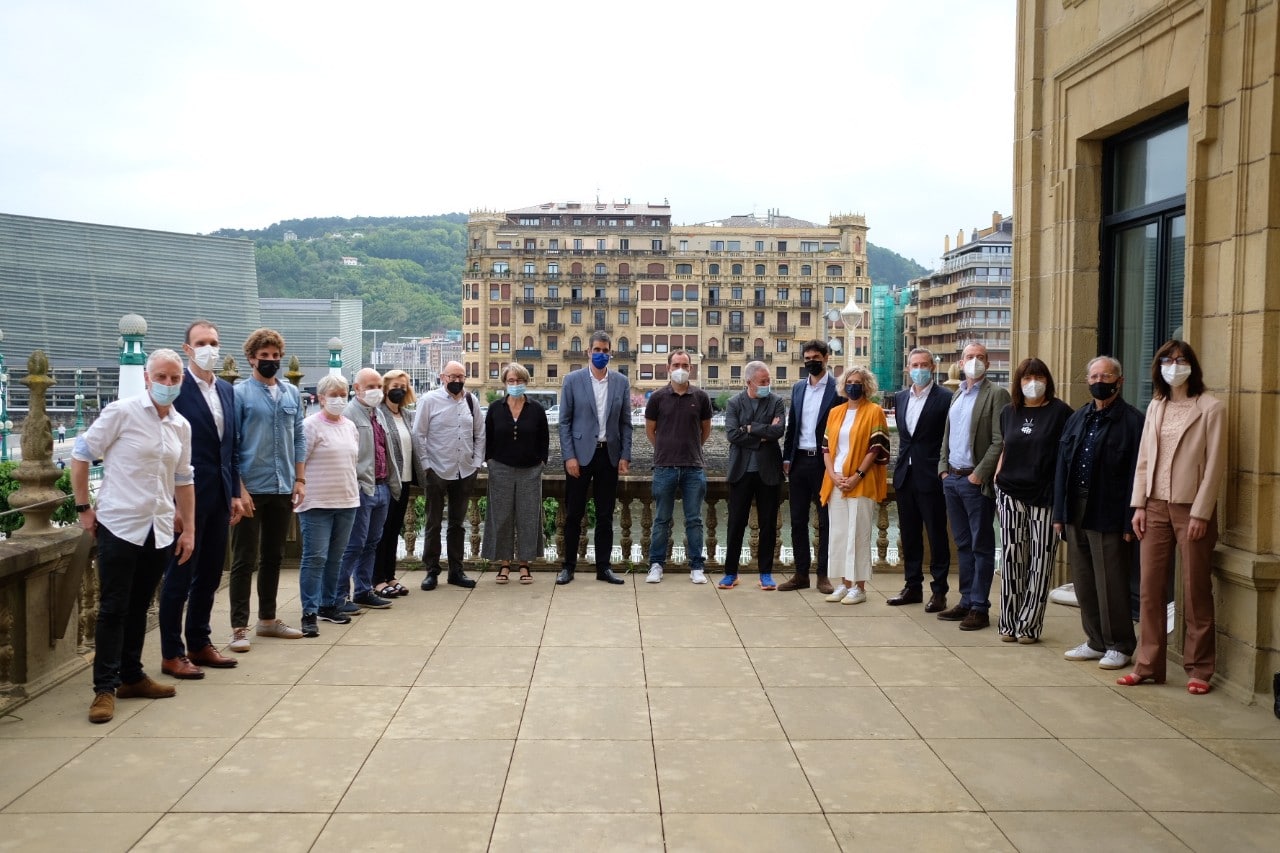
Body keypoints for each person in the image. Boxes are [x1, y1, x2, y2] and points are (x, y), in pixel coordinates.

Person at [72, 349, 194, 723]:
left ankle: (132, 676)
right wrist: (82, 508)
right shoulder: (121, 412)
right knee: (112, 608)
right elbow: (81, 454)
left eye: (174, 378)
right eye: (161, 377)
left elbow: (183, 478)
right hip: (120, 524)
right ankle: (103, 689)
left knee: (141, 606)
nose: (168, 384)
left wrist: (188, 526)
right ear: (146, 377)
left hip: (157, 529)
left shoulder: (180, 426)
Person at [1120, 340, 1226, 694]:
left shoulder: (1210, 408)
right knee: (1150, 588)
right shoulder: (1156, 405)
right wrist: (1138, 505)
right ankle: (1148, 664)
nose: (1174, 365)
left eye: (1180, 360)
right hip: (1153, 506)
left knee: (1195, 588)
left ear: (1192, 365)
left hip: (1190, 508)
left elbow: (1215, 466)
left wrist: (1201, 511)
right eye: (1167, 359)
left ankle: (1200, 668)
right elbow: (1144, 460)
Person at [157, 321, 243, 680]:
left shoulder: (226, 389)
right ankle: (171, 653)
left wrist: (236, 493)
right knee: (178, 578)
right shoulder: (176, 388)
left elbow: (231, 448)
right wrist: (173, 504)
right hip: (186, 498)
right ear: (188, 349)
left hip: (220, 494)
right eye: (202, 343)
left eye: (215, 342)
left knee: (209, 576)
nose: (210, 348)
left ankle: (199, 642)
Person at [1053, 355, 1144, 671]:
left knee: (1112, 582)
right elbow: (1062, 468)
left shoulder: (1133, 422)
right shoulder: (1078, 418)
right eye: (1093, 376)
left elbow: (1137, 473)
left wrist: (1130, 517)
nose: (1098, 382)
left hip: (1110, 510)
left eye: (1105, 376)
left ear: (1120, 381)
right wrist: (1059, 514)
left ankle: (1120, 644)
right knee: (1084, 580)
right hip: (1076, 509)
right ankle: (1094, 641)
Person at [228, 328, 306, 652]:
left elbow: (299, 437)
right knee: (245, 558)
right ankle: (238, 627)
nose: (271, 361)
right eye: (265, 357)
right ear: (251, 359)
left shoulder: (291, 394)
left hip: (282, 485)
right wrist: (239, 489)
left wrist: (299, 480)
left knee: (274, 556)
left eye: (276, 357)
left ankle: (268, 619)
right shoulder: (239, 394)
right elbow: (230, 445)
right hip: (252, 486)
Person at [993, 358, 1072, 643]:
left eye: (1038, 377)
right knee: (1013, 557)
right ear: (1019, 383)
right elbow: (1005, 446)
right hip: (1010, 492)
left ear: (1047, 381)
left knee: (1041, 559)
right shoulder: (1008, 412)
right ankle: (1008, 622)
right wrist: (998, 475)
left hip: (1045, 496)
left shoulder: (1061, 412)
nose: (1032, 383)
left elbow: (1066, 456)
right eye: (1026, 378)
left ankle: (1028, 625)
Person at [936, 342, 1011, 631]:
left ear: (988, 364)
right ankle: (966, 600)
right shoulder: (957, 395)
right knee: (963, 544)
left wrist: (979, 474)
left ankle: (980, 607)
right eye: (970, 357)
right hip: (952, 479)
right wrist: (943, 470)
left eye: (980, 357)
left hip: (973, 481)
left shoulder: (996, 394)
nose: (975, 361)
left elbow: (1000, 439)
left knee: (981, 545)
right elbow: (947, 436)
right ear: (961, 362)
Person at [556, 331, 632, 585]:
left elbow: (626, 424)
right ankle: (568, 567)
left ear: (611, 352)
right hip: (580, 456)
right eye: (596, 350)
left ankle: (604, 567)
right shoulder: (572, 380)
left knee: (605, 515)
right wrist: (569, 457)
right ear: (588, 352)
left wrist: (625, 455)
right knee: (574, 514)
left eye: (605, 350)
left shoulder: (621, 382)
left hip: (608, 456)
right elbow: (564, 422)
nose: (601, 354)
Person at [818, 366, 891, 604]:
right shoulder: (835, 412)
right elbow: (826, 448)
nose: (853, 385)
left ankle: (859, 587)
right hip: (836, 480)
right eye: (849, 381)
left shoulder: (874, 411)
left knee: (858, 534)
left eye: (858, 381)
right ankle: (843, 583)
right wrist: (832, 474)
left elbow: (875, 448)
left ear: (866, 385)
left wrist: (857, 475)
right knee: (838, 534)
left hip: (862, 481)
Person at [887, 347, 952, 611]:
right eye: (914, 364)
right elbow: (905, 438)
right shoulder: (900, 398)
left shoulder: (946, 398)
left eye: (924, 364)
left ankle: (939, 591)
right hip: (905, 475)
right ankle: (912, 586)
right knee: (909, 534)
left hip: (932, 476)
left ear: (932, 367)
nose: (919, 369)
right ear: (908, 368)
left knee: (936, 535)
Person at [296, 374, 361, 636]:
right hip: (316, 502)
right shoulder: (310, 426)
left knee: (336, 557)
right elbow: (300, 460)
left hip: (346, 500)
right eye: (333, 395)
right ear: (321, 398)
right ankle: (309, 611)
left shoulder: (350, 426)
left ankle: (329, 604)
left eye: (343, 394)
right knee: (315, 558)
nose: (338, 399)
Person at [412, 360, 484, 590]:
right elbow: (418, 434)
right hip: (437, 469)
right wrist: (426, 466)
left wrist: (476, 463)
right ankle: (431, 571)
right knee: (433, 522)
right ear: (443, 377)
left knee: (458, 524)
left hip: (465, 469)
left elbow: (480, 434)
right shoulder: (429, 401)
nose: (456, 381)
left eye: (460, 376)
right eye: (452, 376)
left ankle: (456, 570)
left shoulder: (471, 401)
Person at [337, 367, 403, 611]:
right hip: (363, 488)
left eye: (379, 387)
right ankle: (339, 596)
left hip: (383, 486)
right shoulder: (349, 415)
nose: (376, 391)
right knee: (354, 544)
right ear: (357, 389)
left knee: (373, 542)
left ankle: (363, 590)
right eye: (370, 387)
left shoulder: (379, 414)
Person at [645, 348, 713, 584]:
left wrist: (691, 447)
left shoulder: (701, 397)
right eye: (676, 365)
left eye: (685, 365)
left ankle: (696, 566)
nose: (680, 370)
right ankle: (656, 565)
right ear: (668, 368)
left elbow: (705, 430)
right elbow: (650, 431)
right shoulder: (657, 398)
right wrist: (667, 449)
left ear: (691, 368)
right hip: (664, 467)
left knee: (694, 519)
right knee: (661, 519)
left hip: (694, 467)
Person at [780, 339, 840, 594]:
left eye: (815, 357)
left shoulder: (838, 390)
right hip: (798, 461)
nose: (810, 362)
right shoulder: (797, 388)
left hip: (824, 462)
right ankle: (800, 573)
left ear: (826, 357)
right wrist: (786, 457)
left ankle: (823, 575)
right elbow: (792, 425)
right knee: (796, 520)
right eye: (806, 359)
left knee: (826, 521)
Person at [720, 361, 786, 590]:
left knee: (768, 525)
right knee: (736, 523)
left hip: (769, 472)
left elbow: (778, 431)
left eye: (769, 381)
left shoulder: (776, 401)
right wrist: (762, 434)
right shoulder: (734, 403)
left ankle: (765, 573)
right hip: (741, 471)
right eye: (763, 382)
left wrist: (748, 428)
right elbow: (731, 434)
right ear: (749, 382)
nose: (768, 385)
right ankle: (730, 573)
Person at [481, 363, 549, 584]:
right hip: (500, 468)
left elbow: (544, 439)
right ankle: (504, 564)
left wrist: (541, 463)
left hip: (530, 470)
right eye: (511, 381)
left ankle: (525, 564)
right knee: (501, 517)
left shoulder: (536, 409)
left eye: (519, 381)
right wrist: (490, 461)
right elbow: (487, 438)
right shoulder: (494, 408)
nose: (515, 384)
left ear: (525, 382)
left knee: (528, 517)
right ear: (504, 383)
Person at [372, 369, 417, 598]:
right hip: (387, 481)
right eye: (395, 385)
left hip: (406, 480)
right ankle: (377, 579)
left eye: (404, 386)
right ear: (385, 388)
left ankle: (390, 575)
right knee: (381, 532)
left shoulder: (408, 415)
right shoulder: (377, 415)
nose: (399, 390)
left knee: (394, 531)